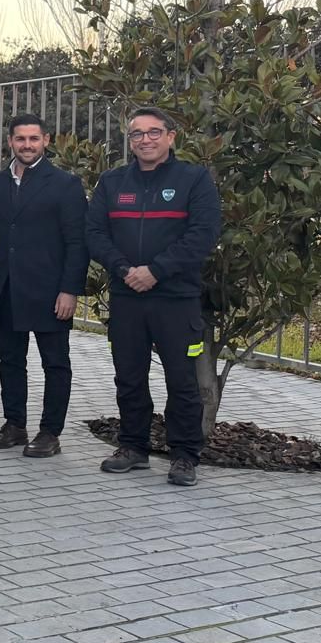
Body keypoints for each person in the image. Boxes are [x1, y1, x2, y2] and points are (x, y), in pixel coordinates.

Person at [86, 106, 221, 487]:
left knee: (182, 381)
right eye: (137, 134)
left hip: (176, 299)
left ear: (171, 136)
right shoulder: (112, 182)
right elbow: (94, 233)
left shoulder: (194, 179)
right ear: (129, 140)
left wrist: (156, 271)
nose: (145, 140)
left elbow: (203, 234)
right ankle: (133, 447)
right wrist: (125, 270)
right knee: (129, 377)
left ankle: (184, 455)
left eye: (153, 132)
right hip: (126, 295)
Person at [0, 114, 88, 457]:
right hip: (6, 288)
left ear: (46, 141)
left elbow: (77, 243)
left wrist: (69, 290)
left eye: (33, 139)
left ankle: (50, 432)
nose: (27, 145)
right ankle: (14, 425)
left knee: (55, 364)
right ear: (10, 142)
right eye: (20, 139)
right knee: (10, 361)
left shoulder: (65, 184)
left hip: (50, 291)